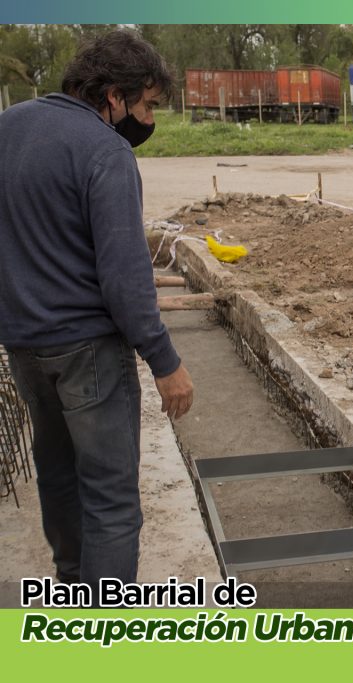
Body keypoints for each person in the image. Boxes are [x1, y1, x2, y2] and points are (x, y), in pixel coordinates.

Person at [0, 30, 193, 597]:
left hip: (23, 346)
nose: (149, 120)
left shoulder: (7, 128)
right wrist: (165, 361)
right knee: (110, 498)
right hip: (88, 350)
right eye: (148, 105)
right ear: (114, 96)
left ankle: (72, 590)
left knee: (58, 475)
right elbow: (125, 279)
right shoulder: (104, 151)